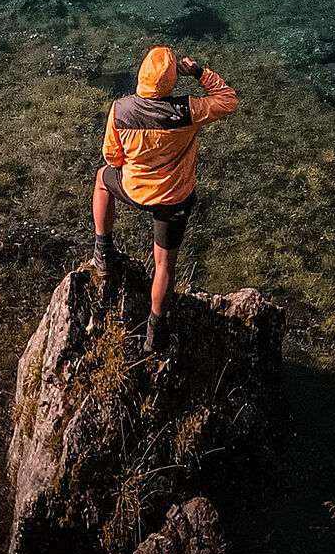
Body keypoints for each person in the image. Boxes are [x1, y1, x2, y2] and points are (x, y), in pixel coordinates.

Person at [93, 44, 238, 354]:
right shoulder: (188, 111)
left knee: (102, 180)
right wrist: (199, 73)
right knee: (164, 266)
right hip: (173, 199)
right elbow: (228, 100)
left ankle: (102, 251)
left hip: (134, 190)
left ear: (142, 74)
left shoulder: (120, 109)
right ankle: (155, 333)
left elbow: (112, 158)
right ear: (172, 79)